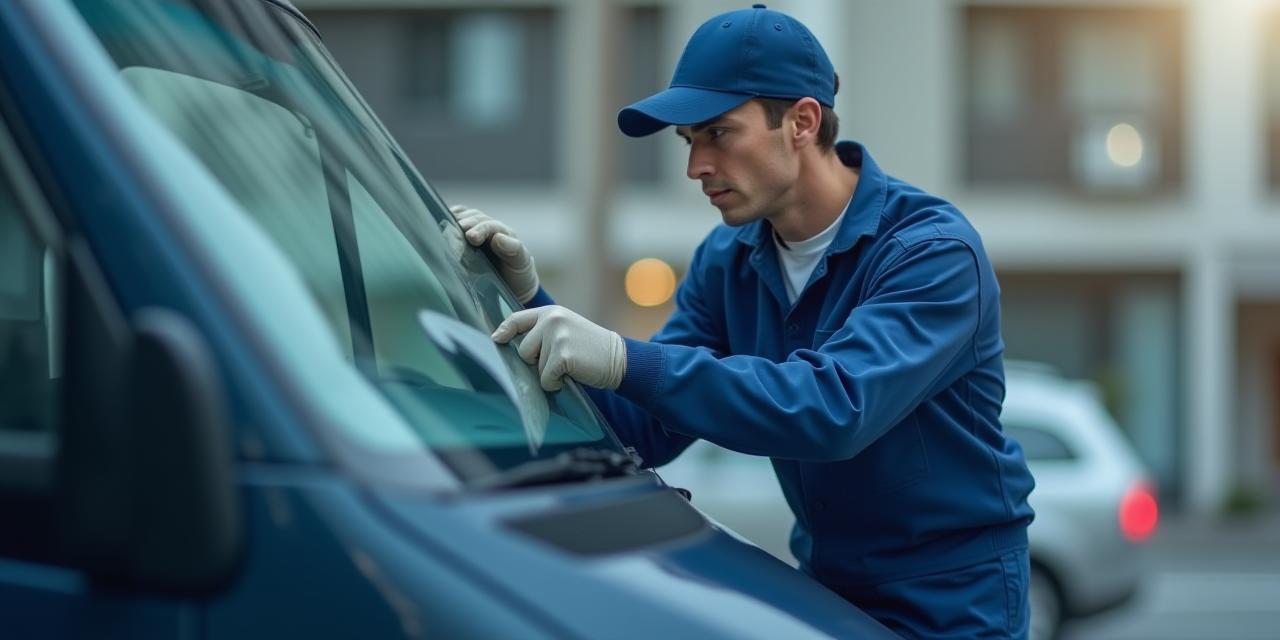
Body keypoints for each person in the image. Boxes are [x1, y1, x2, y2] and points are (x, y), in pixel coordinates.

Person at [451, 4, 1035, 638]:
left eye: (718, 134)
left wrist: (623, 356)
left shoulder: (931, 251)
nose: (695, 166)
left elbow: (836, 409)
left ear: (802, 122)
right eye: (688, 141)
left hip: (956, 606)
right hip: (830, 590)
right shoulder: (727, 260)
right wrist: (531, 301)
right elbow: (642, 430)